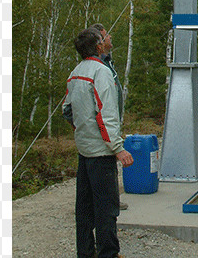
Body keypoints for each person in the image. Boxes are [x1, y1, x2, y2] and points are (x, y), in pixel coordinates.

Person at [63, 27, 133, 258]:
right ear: (99, 46)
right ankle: (108, 254)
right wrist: (117, 148)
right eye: (104, 38)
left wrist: (84, 132)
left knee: (84, 209)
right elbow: (106, 113)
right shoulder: (100, 72)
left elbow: (67, 110)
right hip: (101, 154)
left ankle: (85, 253)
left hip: (84, 150)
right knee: (106, 209)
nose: (108, 38)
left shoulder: (75, 73)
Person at [90, 23, 129, 212]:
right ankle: (106, 204)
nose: (110, 37)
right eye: (106, 36)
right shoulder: (98, 68)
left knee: (108, 165)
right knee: (102, 166)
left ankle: (111, 198)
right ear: (99, 42)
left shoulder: (108, 62)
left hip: (109, 123)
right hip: (101, 128)